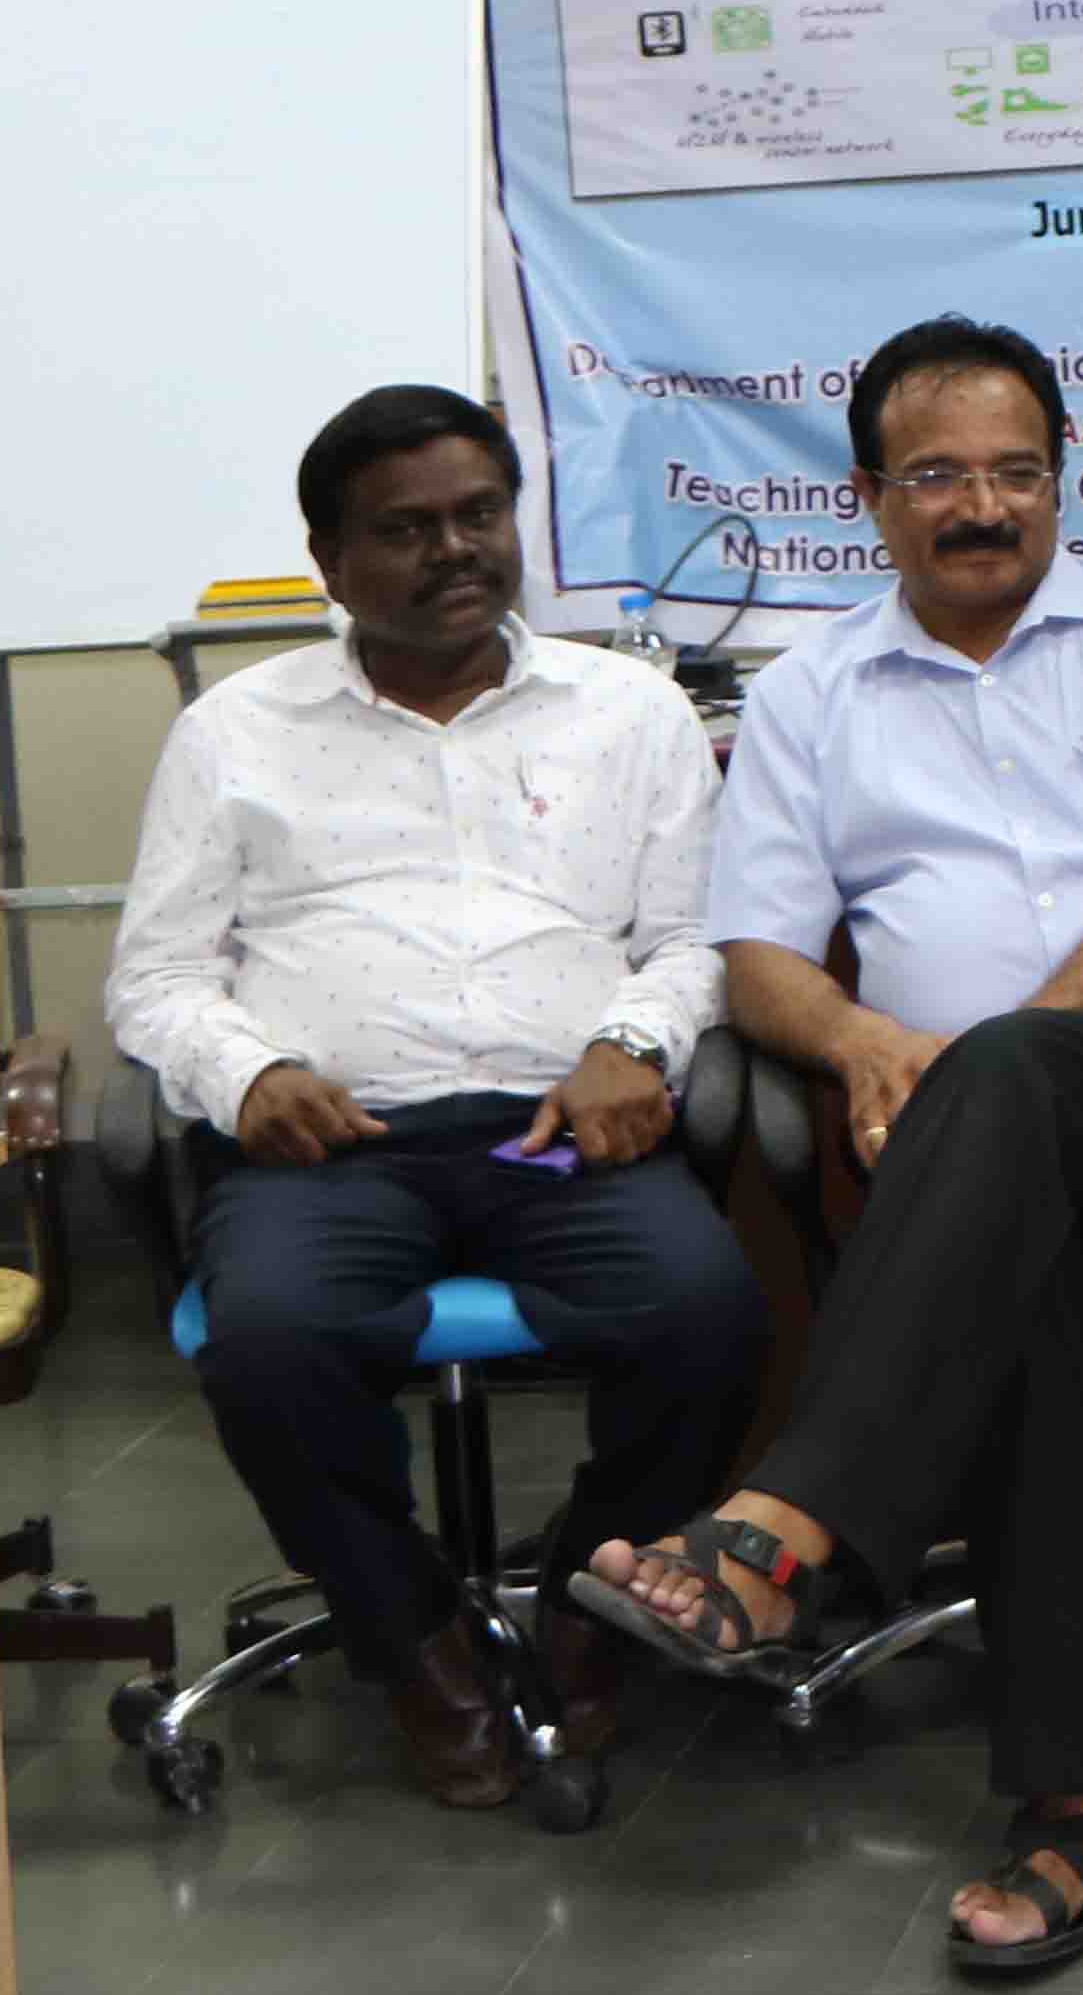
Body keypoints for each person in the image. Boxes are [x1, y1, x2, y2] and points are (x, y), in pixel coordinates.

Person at [563, 312, 1083, 1983]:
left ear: (1060, 481)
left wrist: (1006, 1057)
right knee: (1019, 1264)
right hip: (974, 1146)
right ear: (869, 497)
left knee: (1011, 1099)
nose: (983, 506)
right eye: (937, 477)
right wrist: (856, 1041)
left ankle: (776, 1532)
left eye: (1016, 473)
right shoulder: (811, 693)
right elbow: (758, 956)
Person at [101, 382, 759, 1812]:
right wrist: (248, 1073)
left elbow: (695, 939)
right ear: (330, 561)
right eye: (406, 529)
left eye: (480, 514)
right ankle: (409, 1636)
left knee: (706, 1313)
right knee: (271, 1343)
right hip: (335, 1142)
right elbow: (155, 978)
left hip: (558, 1132)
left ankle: (591, 1603)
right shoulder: (234, 731)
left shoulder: (632, 712)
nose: (455, 549)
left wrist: (636, 1043)